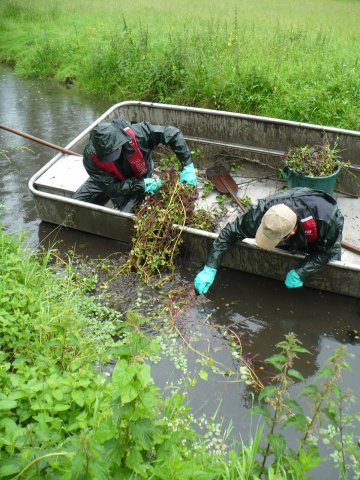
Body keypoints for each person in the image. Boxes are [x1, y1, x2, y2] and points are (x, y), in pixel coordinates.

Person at [194, 187, 344, 294]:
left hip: (320, 231)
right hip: (292, 222)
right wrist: (210, 267)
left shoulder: (328, 221)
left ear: (291, 232)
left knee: (329, 264)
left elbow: (328, 252)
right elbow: (229, 234)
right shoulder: (262, 214)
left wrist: (302, 271)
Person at [73, 118, 197, 212]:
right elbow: (112, 188)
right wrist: (142, 185)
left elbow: (172, 133)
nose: (112, 159)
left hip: (139, 176)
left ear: (121, 141)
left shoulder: (139, 134)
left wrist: (188, 165)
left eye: (114, 153)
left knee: (125, 214)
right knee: (74, 206)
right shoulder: (90, 158)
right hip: (107, 181)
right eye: (107, 156)